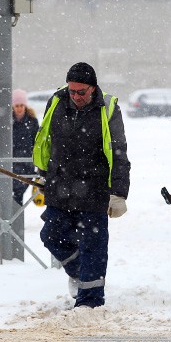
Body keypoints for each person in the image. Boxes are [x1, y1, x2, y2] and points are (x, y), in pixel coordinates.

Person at [33, 62, 131, 308]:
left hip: (94, 190)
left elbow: (118, 152)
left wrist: (118, 193)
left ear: (93, 88)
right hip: (60, 186)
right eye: (72, 91)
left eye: (81, 92)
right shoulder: (56, 101)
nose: (75, 97)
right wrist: (42, 175)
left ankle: (90, 303)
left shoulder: (108, 108)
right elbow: (46, 142)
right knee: (50, 235)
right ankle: (78, 274)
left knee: (93, 247)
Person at [10, 88, 39, 206]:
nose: (19, 108)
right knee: (14, 193)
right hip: (12, 161)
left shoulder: (32, 121)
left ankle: (15, 219)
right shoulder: (7, 122)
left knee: (19, 192)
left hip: (27, 162)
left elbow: (37, 141)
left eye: (22, 105)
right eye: (16, 105)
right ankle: (12, 220)